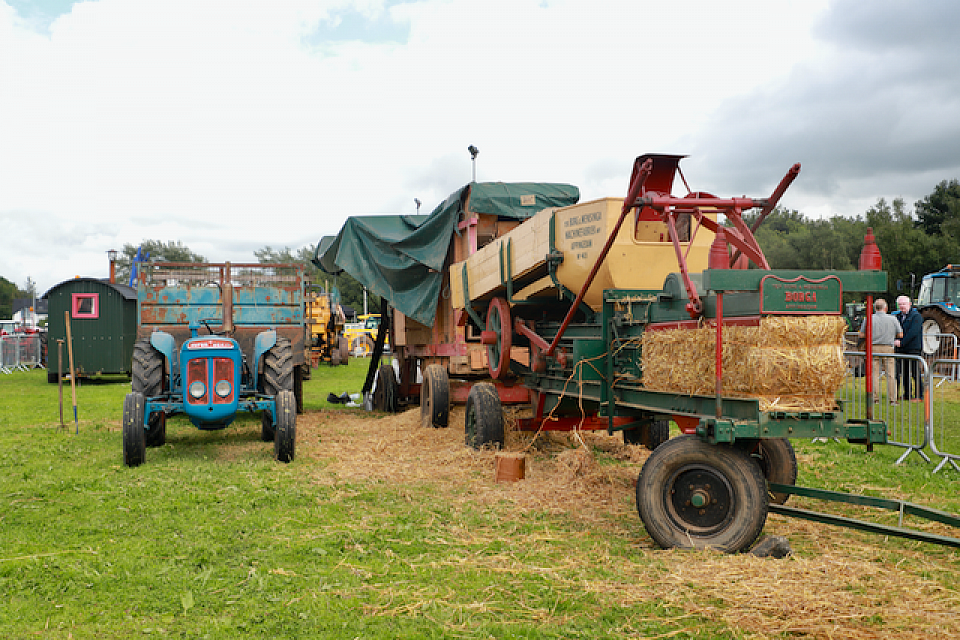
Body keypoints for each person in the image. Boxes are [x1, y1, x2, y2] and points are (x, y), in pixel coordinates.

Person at [859, 298, 902, 404]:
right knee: (891, 374)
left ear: (875, 308)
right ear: (886, 308)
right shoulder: (893, 319)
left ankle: (874, 398)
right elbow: (900, 334)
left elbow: (861, 334)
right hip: (888, 348)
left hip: (873, 348)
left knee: (874, 374)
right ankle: (893, 399)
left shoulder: (868, 319)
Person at [894, 295, 924, 402]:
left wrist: (902, 343)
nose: (902, 306)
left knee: (915, 373)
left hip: (913, 349)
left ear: (910, 304)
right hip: (901, 350)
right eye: (900, 304)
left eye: (904, 304)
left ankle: (919, 395)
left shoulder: (916, 316)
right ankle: (907, 394)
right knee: (904, 372)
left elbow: (913, 333)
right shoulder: (897, 317)